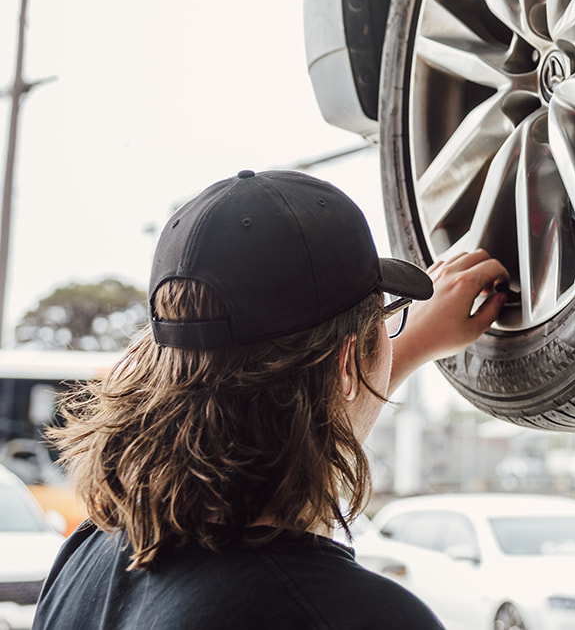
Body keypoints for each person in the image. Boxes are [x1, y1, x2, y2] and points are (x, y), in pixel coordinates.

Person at [35, 169, 508, 630]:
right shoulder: (359, 615)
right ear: (346, 363)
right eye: (385, 320)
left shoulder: (90, 556)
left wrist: (401, 349)